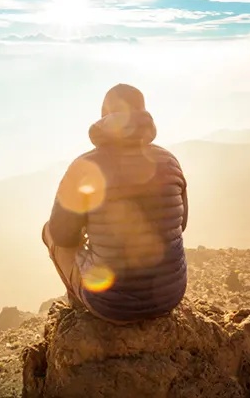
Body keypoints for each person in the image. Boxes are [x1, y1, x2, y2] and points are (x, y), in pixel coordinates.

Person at [42, 83, 188, 323]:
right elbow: (180, 224)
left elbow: (62, 236)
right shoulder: (170, 161)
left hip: (111, 305)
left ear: (104, 117)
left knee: (48, 231)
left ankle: (79, 304)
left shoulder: (85, 167)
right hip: (170, 296)